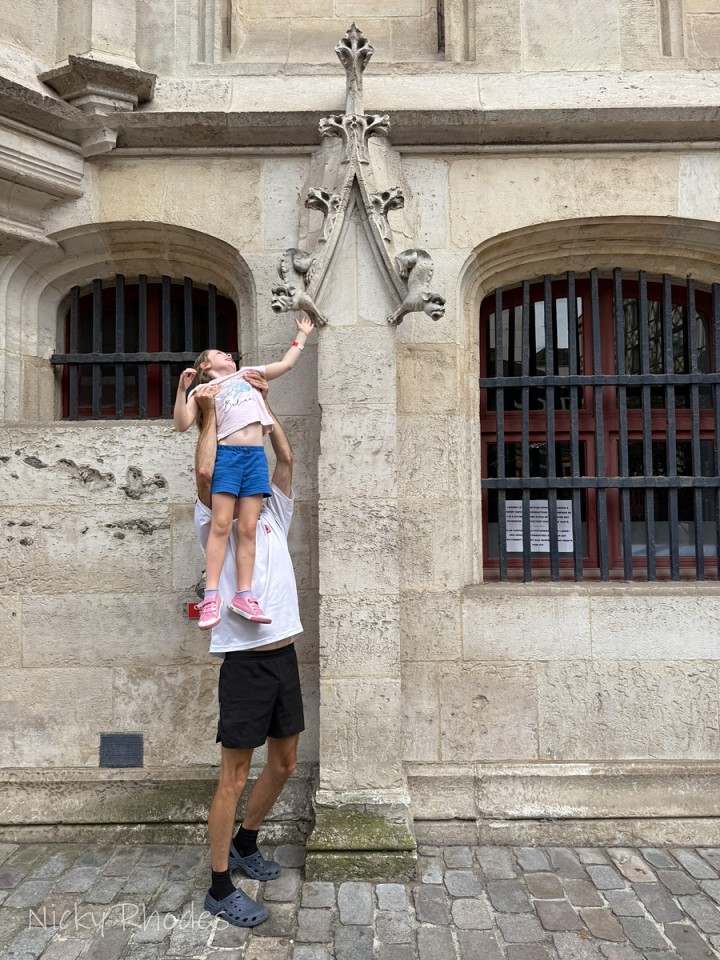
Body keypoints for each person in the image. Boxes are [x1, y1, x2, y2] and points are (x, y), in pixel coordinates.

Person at [192, 375, 305, 929]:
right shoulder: (214, 517)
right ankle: (219, 888)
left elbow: (285, 458)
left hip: (285, 654)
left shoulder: (273, 514)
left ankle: (245, 843)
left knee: (284, 763)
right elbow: (206, 474)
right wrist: (214, 413)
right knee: (233, 777)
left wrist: (262, 408)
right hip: (245, 661)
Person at [174, 315, 314, 629]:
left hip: (255, 458)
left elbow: (286, 364)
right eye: (218, 353)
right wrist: (183, 389)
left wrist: (301, 336)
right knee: (222, 524)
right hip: (228, 456)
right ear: (206, 365)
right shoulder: (205, 390)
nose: (227, 354)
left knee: (248, 527)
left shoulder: (248, 375)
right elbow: (182, 424)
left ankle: (244, 595)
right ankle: (211, 596)